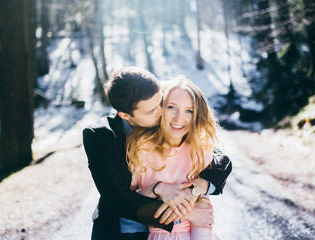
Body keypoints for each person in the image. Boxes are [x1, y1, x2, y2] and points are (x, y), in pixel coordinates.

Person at [83, 66, 232, 240]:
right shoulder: (99, 136)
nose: (162, 112)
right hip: (121, 230)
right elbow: (119, 199)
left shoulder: (162, 111)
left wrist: (197, 188)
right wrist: (187, 212)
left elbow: (217, 157)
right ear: (124, 115)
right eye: (152, 111)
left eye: (161, 103)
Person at [126, 76, 218, 240]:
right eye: (171, 107)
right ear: (160, 109)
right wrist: (187, 211)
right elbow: (130, 201)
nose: (178, 118)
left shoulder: (200, 149)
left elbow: (203, 212)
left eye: (189, 111)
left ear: (197, 115)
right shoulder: (142, 147)